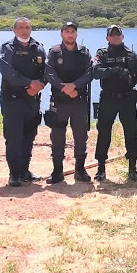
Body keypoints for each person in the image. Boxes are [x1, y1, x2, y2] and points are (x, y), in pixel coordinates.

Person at [92, 24, 137, 182]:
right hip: (108, 99)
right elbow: (95, 72)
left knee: (131, 133)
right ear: (107, 38)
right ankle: (101, 169)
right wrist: (116, 70)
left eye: (118, 34)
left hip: (127, 99)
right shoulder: (102, 54)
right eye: (113, 34)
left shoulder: (131, 55)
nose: (116, 37)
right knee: (104, 133)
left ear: (122, 37)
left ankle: (132, 168)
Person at [0, 17, 47, 187]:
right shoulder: (7, 48)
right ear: (14, 30)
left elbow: (45, 72)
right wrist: (29, 83)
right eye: (21, 27)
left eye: (27, 27)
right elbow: (7, 71)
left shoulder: (38, 47)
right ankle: (14, 174)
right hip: (12, 100)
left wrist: (39, 86)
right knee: (13, 137)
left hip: (32, 100)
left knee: (29, 136)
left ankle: (25, 171)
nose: (25, 30)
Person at [43, 22, 93, 184]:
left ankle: (80, 169)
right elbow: (49, 72)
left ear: (76, 34)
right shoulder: (54, 52)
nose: (70, 34)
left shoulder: (84, 52)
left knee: (81, 136)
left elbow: (90, 73)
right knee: (57, 136)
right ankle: (57, 171)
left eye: (73, 32)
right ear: (62, 34)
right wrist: (63, 88)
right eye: (67, 31)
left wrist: (74, 86)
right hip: (60, 101)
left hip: (79, 101)